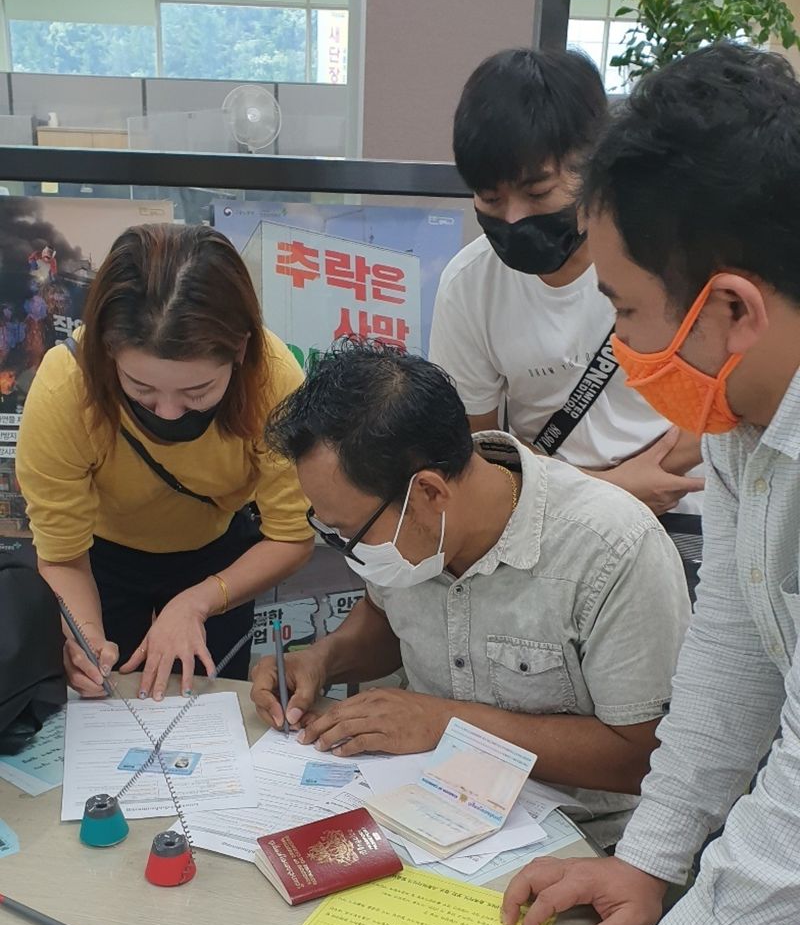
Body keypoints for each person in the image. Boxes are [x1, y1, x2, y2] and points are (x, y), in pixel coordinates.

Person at [488, 43, 800, 925]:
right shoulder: (739, 406)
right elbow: (733, 649)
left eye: (622, 311)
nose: (617, 343)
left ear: (728, 307)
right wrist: (650, 857)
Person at [251, 340, 689, 849]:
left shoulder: (610, 548)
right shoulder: (408, 528)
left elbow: (645, 757)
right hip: (422, 813)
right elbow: (385, 617)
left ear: (431, 493)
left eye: (349, 531)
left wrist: (448, 726)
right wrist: (322, 660)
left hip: (581, 843)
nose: (347, 550)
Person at [429, 47, 704, 578]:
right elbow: (481, 452)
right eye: (489, 197)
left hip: (680, 503)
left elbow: (720, 402)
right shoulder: (469, 286)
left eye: (537, 191)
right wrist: (611, 491)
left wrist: (647, 484)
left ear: (596, 165)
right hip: (552, 518)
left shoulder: (664, 258)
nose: (513, 217)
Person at [16, 223, 313, 700]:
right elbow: (63, 554)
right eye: (142, 390)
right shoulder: (65, 388)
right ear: (109, 352)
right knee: (104, 690)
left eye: (197, 392)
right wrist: (86, 635)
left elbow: (292, 536)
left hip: (222, 556)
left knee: (212, 703)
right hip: (101, 560)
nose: (169, 412)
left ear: (239, 350)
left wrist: (199, 601)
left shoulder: (273, 381)